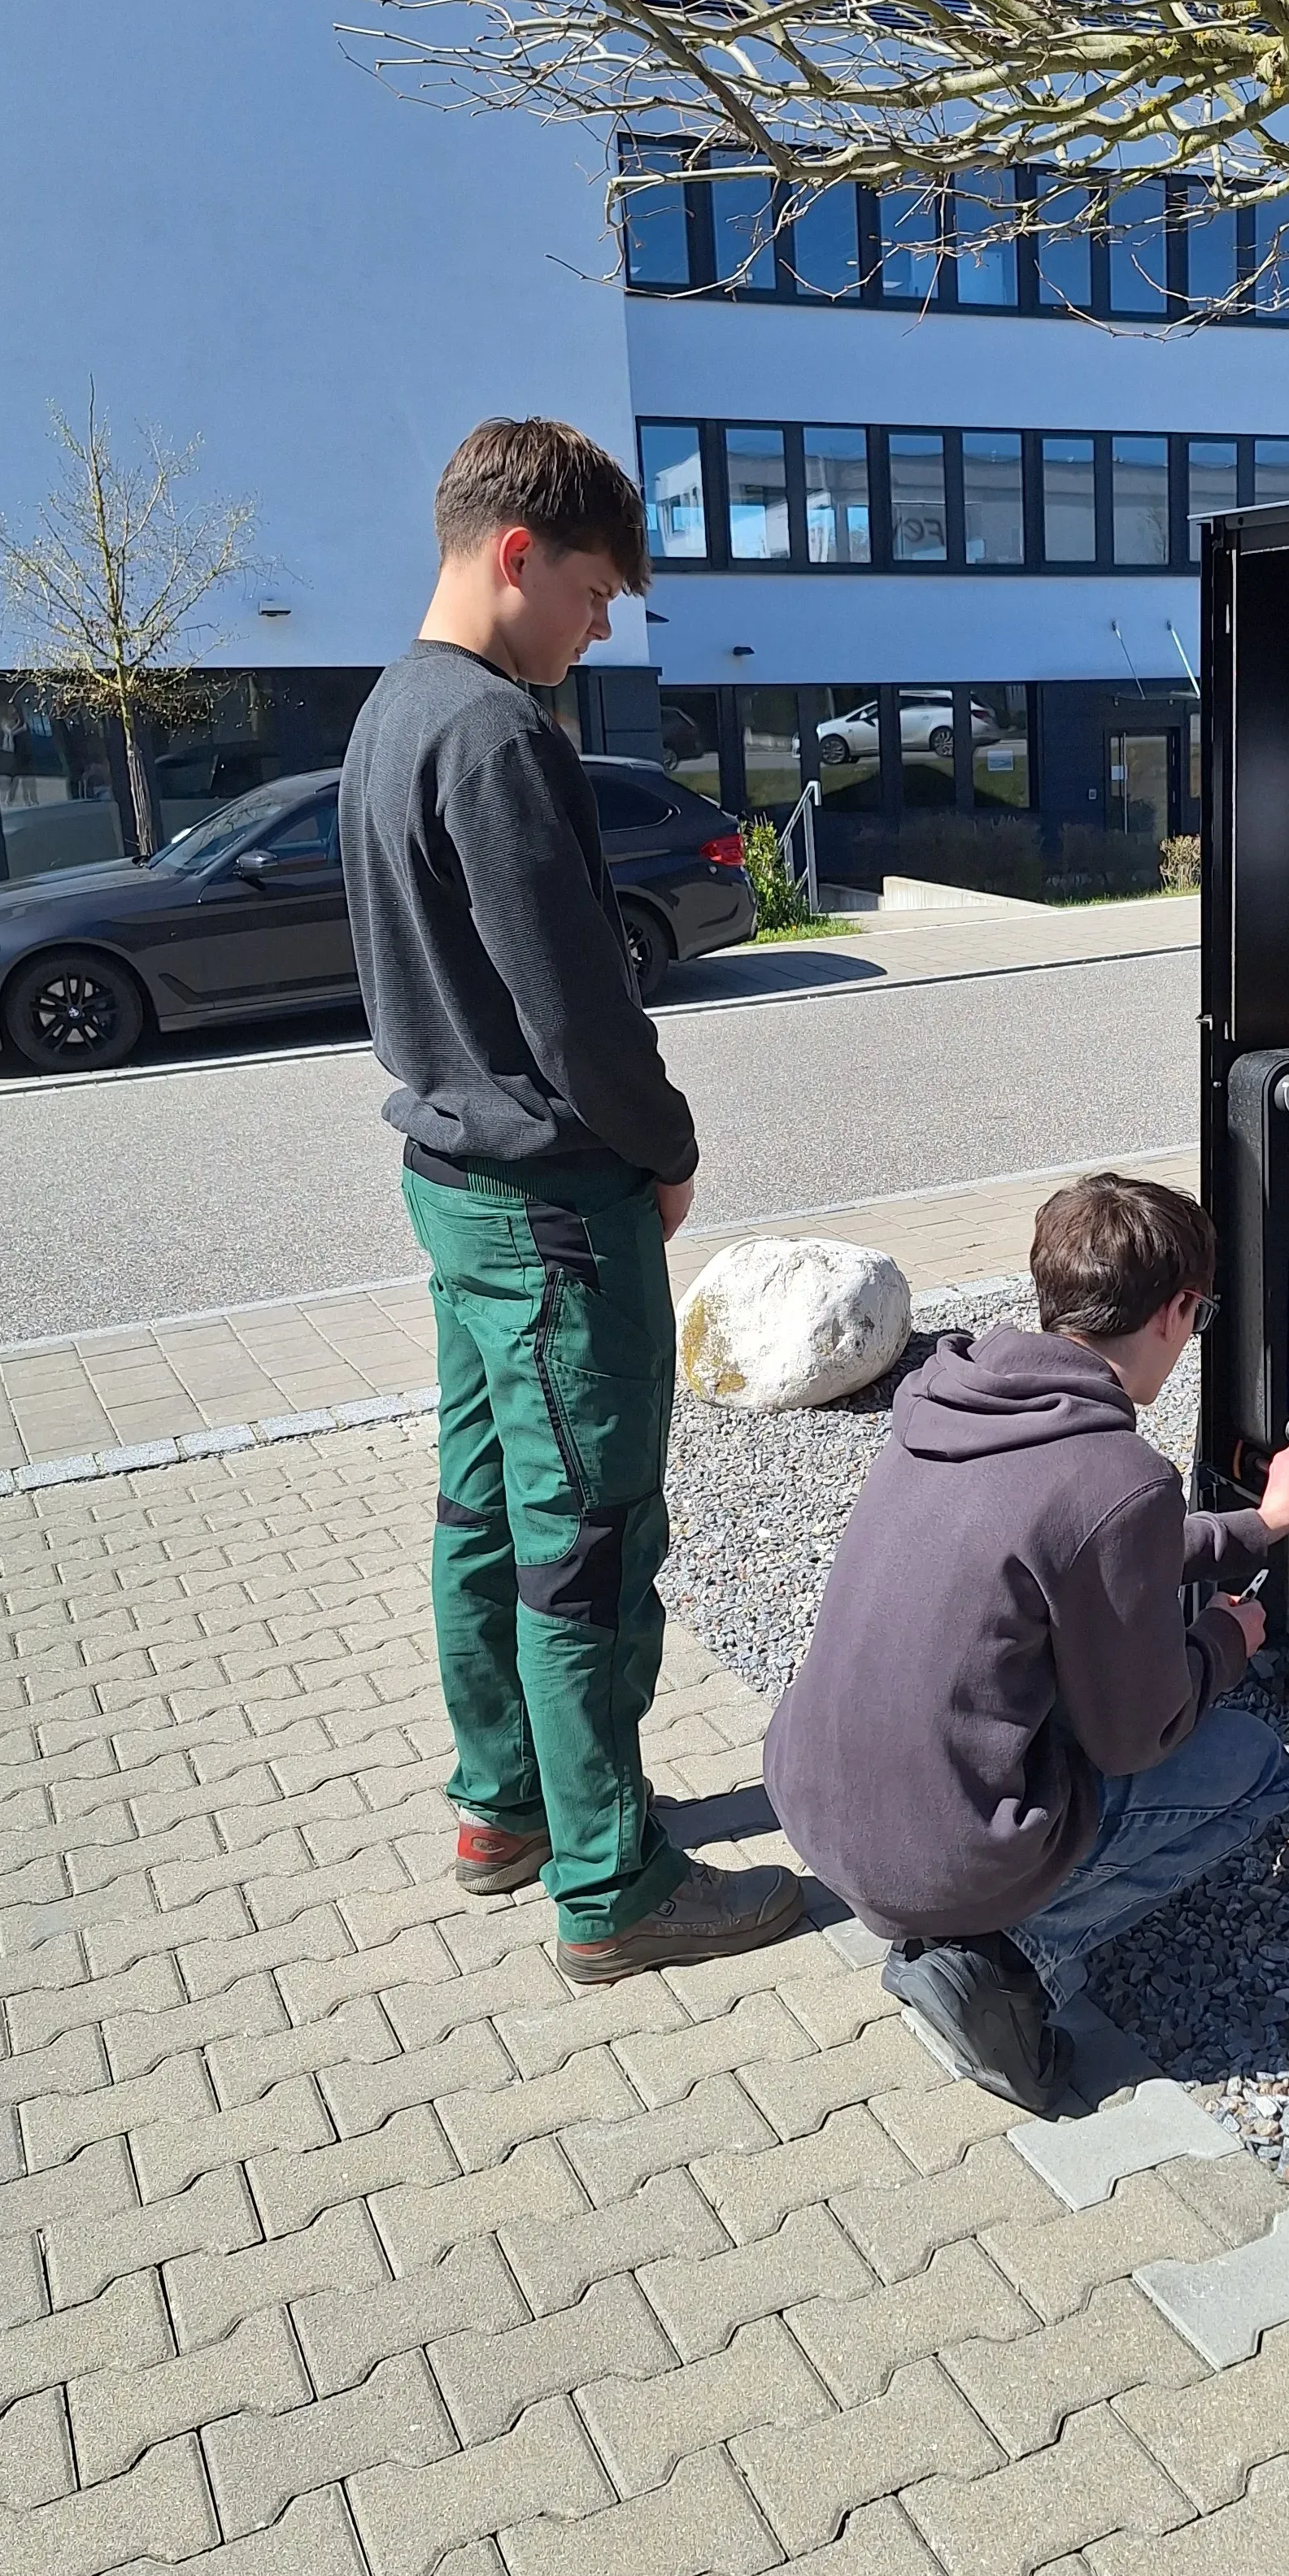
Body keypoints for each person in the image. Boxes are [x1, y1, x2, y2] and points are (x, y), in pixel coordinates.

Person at [341, 416, 802, 1988]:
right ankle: (614, 1883)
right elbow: (578, 1009)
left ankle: (506, 1808)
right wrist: (665, 1146)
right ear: (515, 554)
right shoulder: (491, 732)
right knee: (589, 1542)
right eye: (596, 594)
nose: (602, 628)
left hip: (454, 1189)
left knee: (483, 1510)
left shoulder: (389, 715)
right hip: (550, 1207)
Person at [765, 1174, 1289, 2108]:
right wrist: (1225, 1641)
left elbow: (1091, 1549)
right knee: (1258, 1766)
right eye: (1200, 1318)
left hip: (817, 1802)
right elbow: (1136, 1737)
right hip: (934, 1851)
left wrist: (1260, 1526)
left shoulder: (950, 1402)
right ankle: (1003, 1959)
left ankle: (965, 1916)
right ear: (1179, 1310)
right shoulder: (1116, 1475)